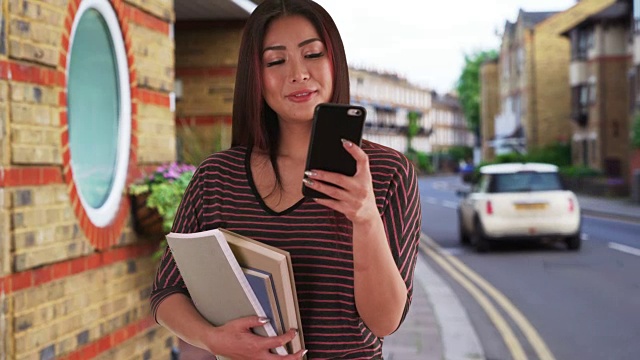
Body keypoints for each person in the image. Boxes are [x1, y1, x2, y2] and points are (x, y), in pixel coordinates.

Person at [150, 0, 421, 358]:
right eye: (276, 61)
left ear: (335, 62)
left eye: (312, 54)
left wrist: (366, 217)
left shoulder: (387, 173)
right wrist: (212, 338)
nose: (298, 73)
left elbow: (384, 321)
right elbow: (166, 292)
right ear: (255, 77)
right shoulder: (216, 177)